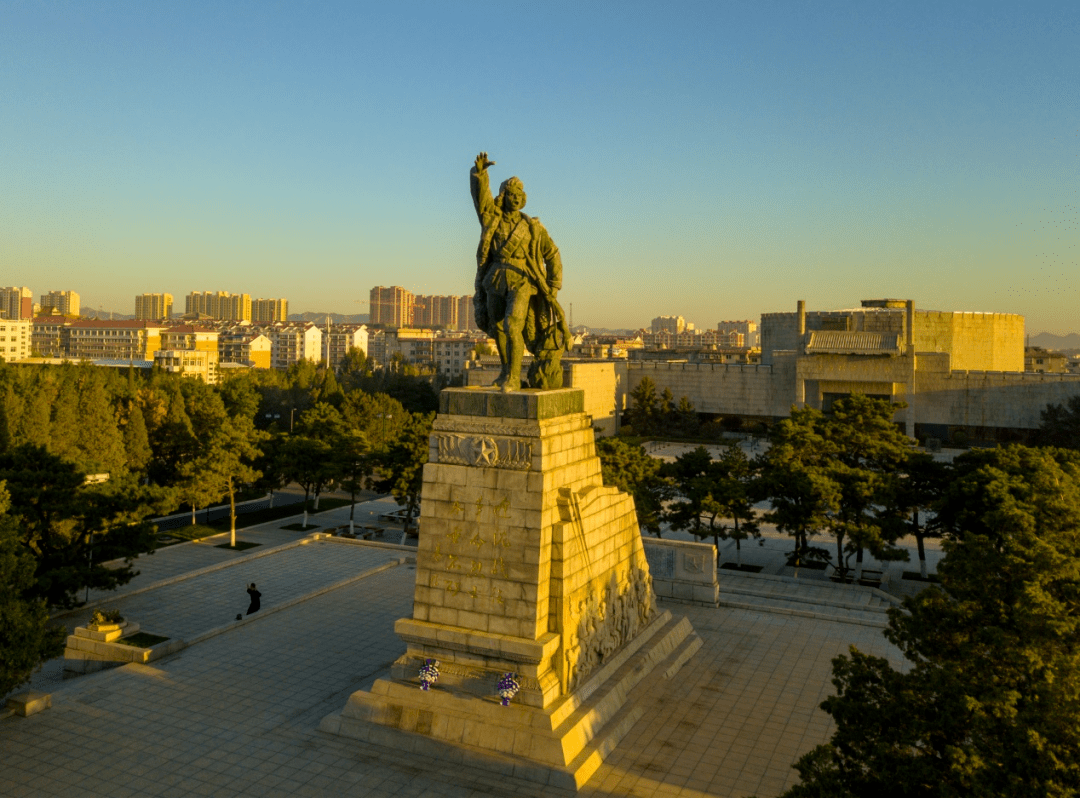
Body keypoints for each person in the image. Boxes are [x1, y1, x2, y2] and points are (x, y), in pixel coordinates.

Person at [471, 152, 571, 391]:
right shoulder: (492, 220)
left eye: (519, 196)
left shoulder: (532, 228)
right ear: (504, 197)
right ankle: (505, 374)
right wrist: (481, 174)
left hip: (523, 280)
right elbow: (481, 200)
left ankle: (514, 378)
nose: (515, 199)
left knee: (512, 324)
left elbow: (552, 254)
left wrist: (553, 285)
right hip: (495, 278)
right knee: (497, 327)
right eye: (511, 195)